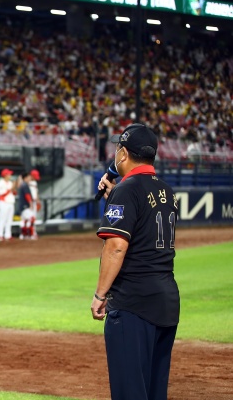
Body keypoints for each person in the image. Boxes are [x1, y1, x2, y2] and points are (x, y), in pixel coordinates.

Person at [92, 123, 180, 400]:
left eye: (119, 150)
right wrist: (113, 196)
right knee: (154, 391)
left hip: (133, 303)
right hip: (165, 301)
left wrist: (100, 294)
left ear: (124, 154)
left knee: (130, 391)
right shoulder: (167, 191)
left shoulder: (127, 190)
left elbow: (116, 247)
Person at [0, 169, 16, 241]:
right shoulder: (1, 183)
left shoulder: (10, 183)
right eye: (8, 174)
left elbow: (14, 193)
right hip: (3, 203)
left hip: (10, 202)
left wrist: (14, 187)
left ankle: (8, 234)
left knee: (9, 219)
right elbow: (2, 195)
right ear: (5, 175)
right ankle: (0, 234)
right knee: (2, 219)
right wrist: (11, 188)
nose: (10, 175)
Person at [18, 173, 36, 240]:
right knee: (31, 219)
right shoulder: (25, 185)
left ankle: (23, 235)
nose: (30, 178)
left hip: (22, 206)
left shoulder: (22, 185)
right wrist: (30, 203)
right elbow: (27, 195)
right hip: (25, 205)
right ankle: (30, 234)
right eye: (28, 177)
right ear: (25, 178)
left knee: (24, 220)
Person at [28, 169, 41, 240]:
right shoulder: (27, 182)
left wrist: (38, 201)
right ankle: (29, 233)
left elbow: (36, 193)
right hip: (29, 202)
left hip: (34, 202)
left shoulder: (35, 183)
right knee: (30, 218)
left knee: (34, 218)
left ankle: (34, 232)